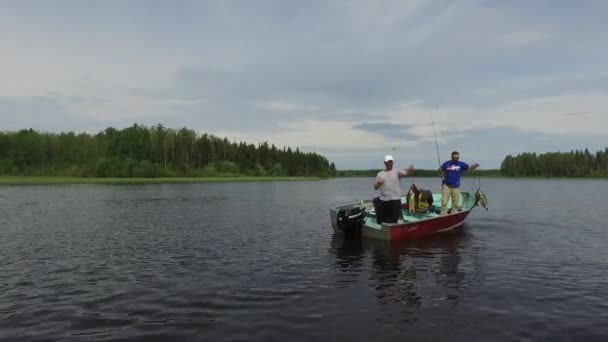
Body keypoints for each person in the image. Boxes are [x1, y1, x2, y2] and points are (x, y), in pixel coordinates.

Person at [373, 155, 415, 224]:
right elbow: (375, 187)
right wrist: (378, 183)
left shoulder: (397, 171)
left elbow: (406, 174)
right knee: (383, 220)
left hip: (395, 201)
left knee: (393, 221)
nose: (390, 163)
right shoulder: (380, 174)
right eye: (388, 162)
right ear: (384, 163)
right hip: (383, 200)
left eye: (391, 162)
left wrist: (410, 171)